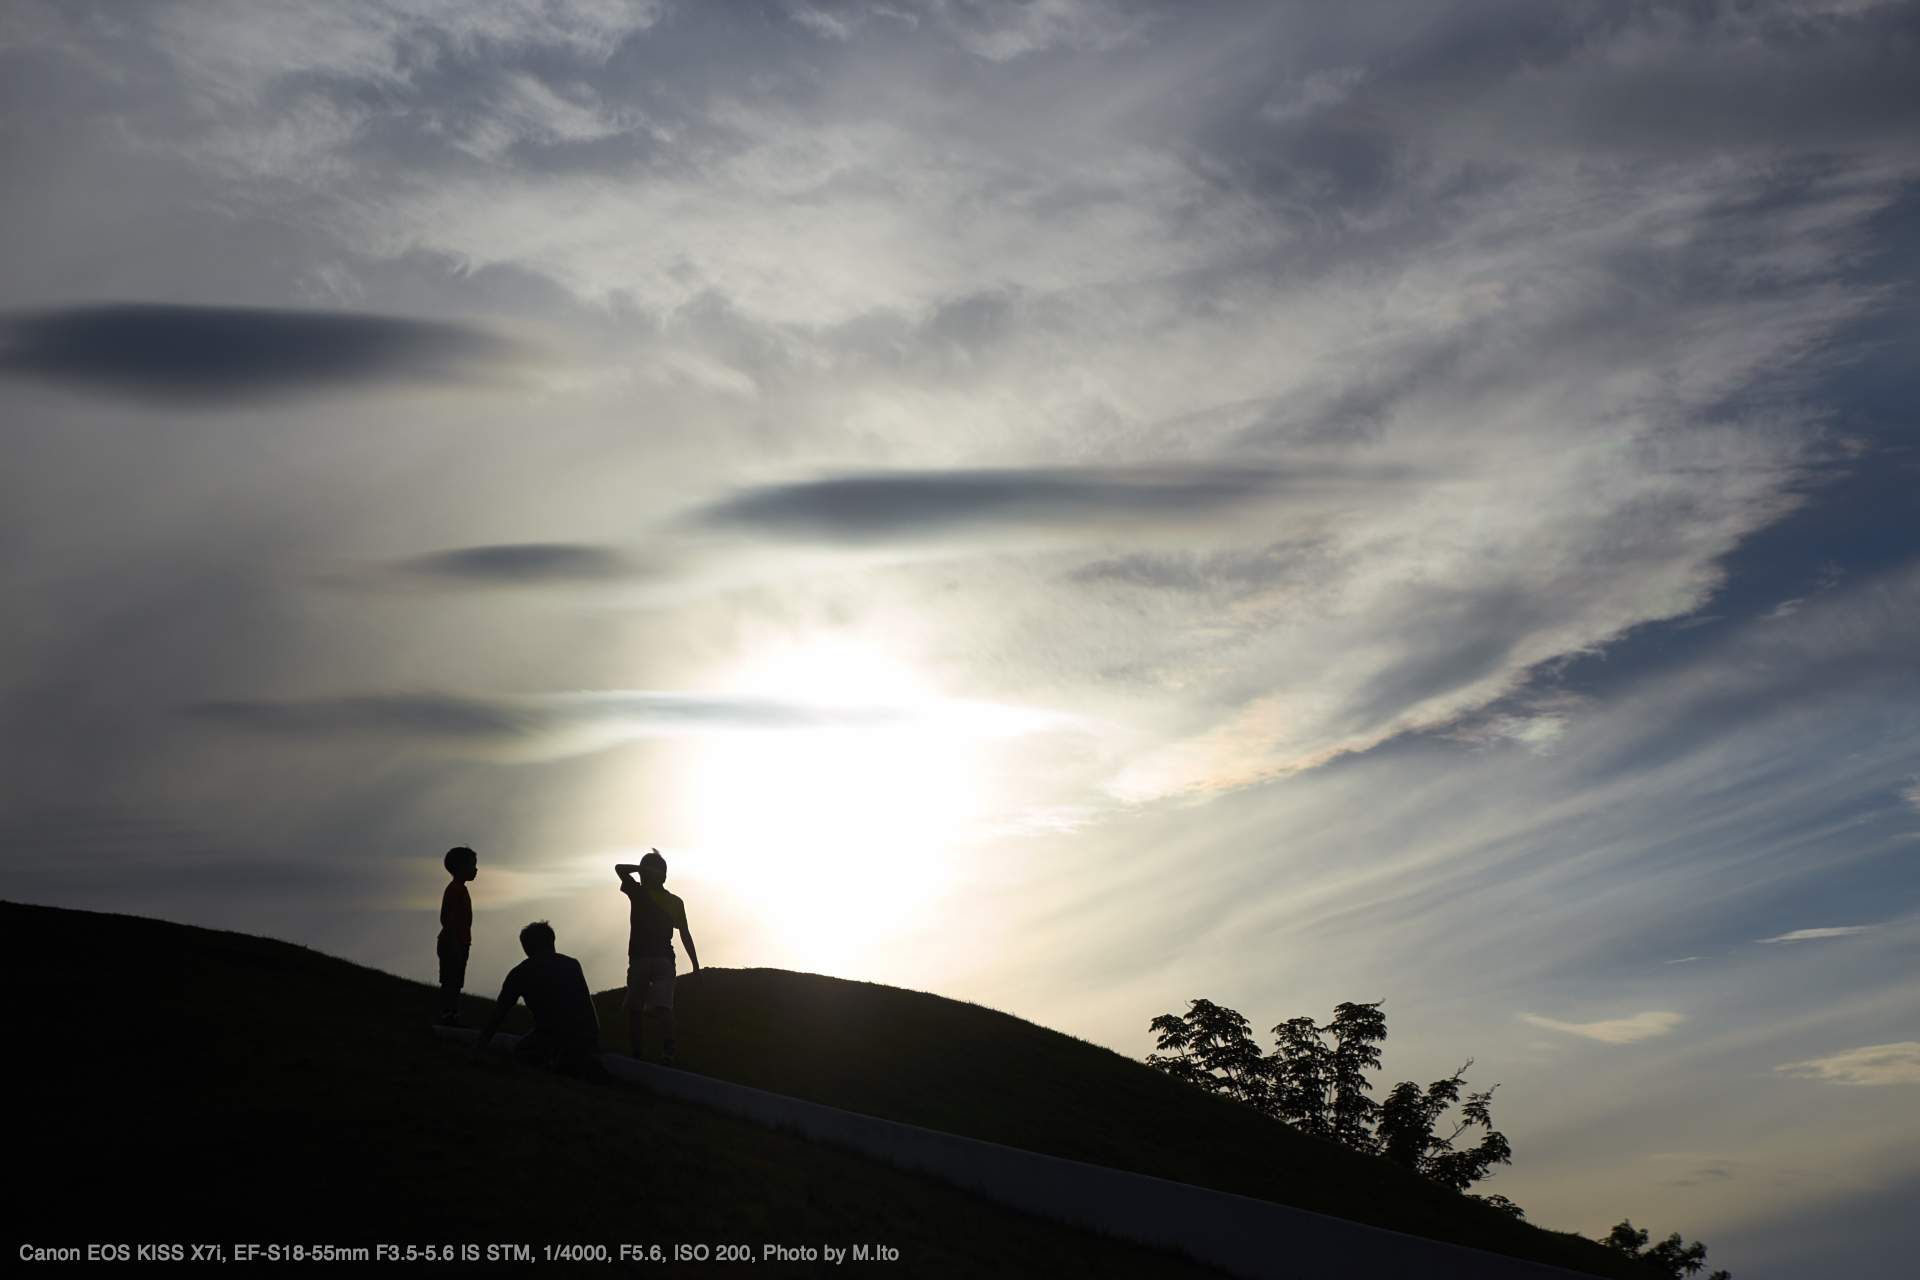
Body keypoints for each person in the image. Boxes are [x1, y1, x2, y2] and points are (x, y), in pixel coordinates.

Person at [475, 920, 606, 1080]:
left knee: (519, 1054)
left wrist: (480, 1045)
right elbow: (586, 1004)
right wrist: (592, 1039)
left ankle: (554, 1058)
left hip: (554, 1033)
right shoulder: (572, 964)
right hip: (588, 1035)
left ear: (527, 947)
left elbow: (500, 1013)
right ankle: (576, 1061)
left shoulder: (522, 971)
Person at [615, 849, 700, 1065]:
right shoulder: (674, 901)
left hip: (641, 958)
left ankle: (637, 1056)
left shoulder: (638, 892)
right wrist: (696, 966)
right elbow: (685, 934)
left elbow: (620, 870)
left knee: (636, 1009)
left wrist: (641, 869)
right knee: (663, 1007)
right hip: (663, 960)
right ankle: (668, 1050)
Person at [436, 846, 478, 1027]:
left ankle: (454, 1013)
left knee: (457, 979)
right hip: (451, 941)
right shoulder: (454, 889)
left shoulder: (461, 890)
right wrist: (453, 941)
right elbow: (448, 915)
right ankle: (447, 1013)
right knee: (449, 979)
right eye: (472, 865)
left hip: (462, 942)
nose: (475, 869)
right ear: (461, 867)